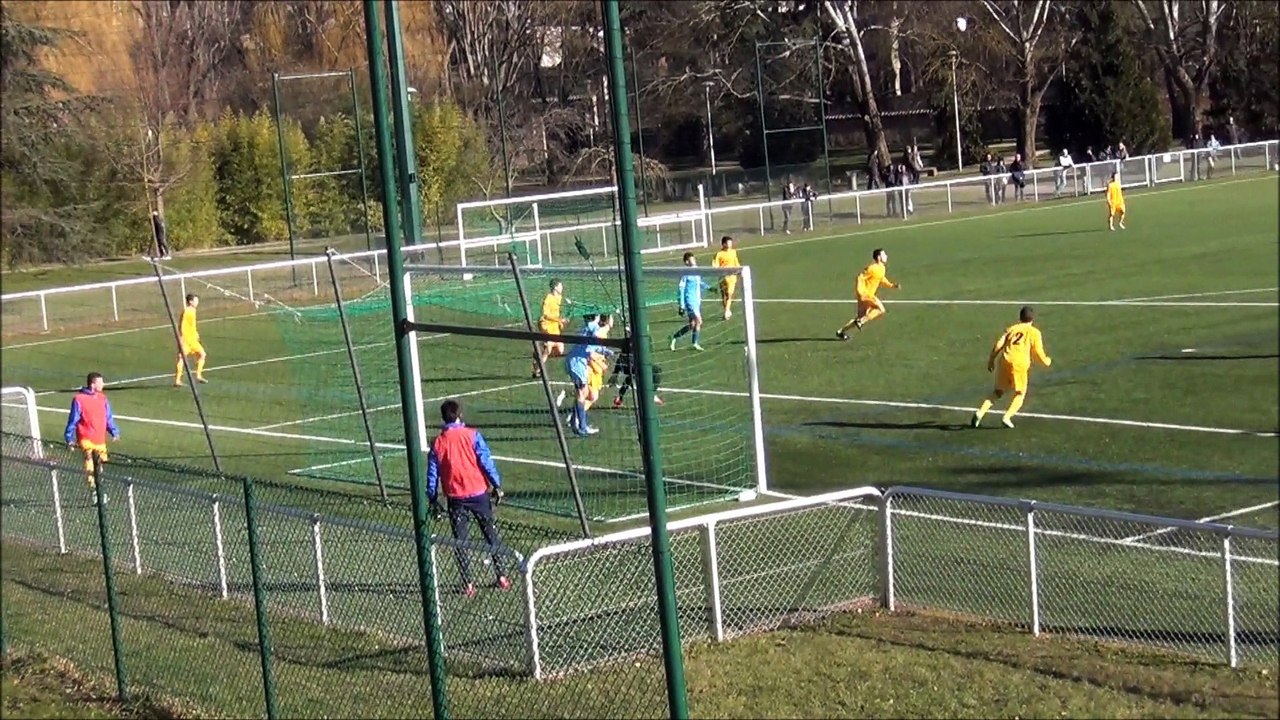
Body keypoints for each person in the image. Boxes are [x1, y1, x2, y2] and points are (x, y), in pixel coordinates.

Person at [426, 399, 510, 597]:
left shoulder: (438, 442)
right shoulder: (472, 435)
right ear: (460, 415)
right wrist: (496, 484)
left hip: (456, 497)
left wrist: (432, 497)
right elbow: (485, 460)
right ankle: (502, 575)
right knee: (490, 534)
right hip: (478, 493)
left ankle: (468, 583)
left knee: (460, 541)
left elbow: (432, 474)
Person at [971, 306, 1052, 429]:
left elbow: (999, 344)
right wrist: (1046, 361)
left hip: (1005, 360)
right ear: (1032, 319)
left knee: (998, 391)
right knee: (1020, 393)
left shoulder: (1011, 329)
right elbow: (1038, 352)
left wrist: (991, 360)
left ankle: (980, 412)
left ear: (1020, 318)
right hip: (1020, 364)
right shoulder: (1034, 332)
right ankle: (1007, 417)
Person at [64, 372, 120, 501]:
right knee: (89, 462)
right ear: (93, 384)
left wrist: (114, 431)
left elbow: (108, 417)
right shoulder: (79, 399)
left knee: (99, 465)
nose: (103, 384)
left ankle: (98, 488)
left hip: (99, 439)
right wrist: (69, 438)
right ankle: (95, 491)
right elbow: (73, 420)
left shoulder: (103, 398)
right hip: (86, 438)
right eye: (100, 382)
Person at [566, 314, 615, 436]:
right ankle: (582, 426)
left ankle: (575, 421)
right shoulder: (592, 326)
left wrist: (606, 351)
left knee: (585, 392)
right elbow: (597, 335)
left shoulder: (587, 328)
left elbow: (592, 346)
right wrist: (607, 326)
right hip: (577, 364)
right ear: (596, 317)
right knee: (582, 393)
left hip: (575, 362)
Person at [837, 248, 899, 340]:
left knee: (859, 318)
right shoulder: (871, 268)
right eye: (884, 254)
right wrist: (860, 292)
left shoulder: (882, 268)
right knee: (881, 309)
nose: (886, 256)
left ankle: (841, 331)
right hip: (865, 295)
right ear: (878, 257)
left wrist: (891, 285)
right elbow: (860, 277)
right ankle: (861, 321)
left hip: (866, 296)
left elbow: (881, 279)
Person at [609, 325, 665, 408]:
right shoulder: (645, 340)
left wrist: (615, 373)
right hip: (636, 366)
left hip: (626, 367)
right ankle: (651, 394)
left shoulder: (627, 341)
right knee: (657, 371)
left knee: (630, 377)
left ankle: (620, 397)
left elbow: (620, 358)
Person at [670, 252, 711, 351]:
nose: (694, 260)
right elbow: (681, 289)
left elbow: (700, 282)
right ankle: (695, 343)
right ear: (686, 262)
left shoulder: (696, 270)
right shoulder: (685, 274)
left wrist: (709, 288)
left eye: (694, 258)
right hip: (690, 301)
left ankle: (675, 337)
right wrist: (682, 305)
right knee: (699, 321)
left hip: (697, 301)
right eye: (692, 259)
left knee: (692, 324)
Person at [533, 279, 567, 378]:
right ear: (555, 287)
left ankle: (538, 356)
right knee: (548, 349)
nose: (562, 288)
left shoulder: (559, 297)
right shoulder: (548, 299)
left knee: (560, 350)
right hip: (547, 327)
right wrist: (559, 320)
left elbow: (556, 312)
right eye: (560, 286)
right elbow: (545, 315)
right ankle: (537, 371)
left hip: (555, 327)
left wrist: (559, 322)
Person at [174, 294, 207, 386]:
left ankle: (198, 376)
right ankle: (177, 380)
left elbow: (191, 325)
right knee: (181, 357)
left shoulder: (193, 311)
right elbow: (182, 326)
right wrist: (181, 338)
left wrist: (196, 333)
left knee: (202, 354)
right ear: (190, 302)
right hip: (186, 340)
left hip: (192, 339)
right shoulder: (188, 312)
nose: (197, 302)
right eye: (196, 300)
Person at [712, 235, 741, 320]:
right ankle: (726, 311)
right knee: (724, 295)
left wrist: (739, 269)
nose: (730, 244)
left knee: (729, 293)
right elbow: (715, 265)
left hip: (732, 277)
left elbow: (736, 262)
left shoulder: (733, 252)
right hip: (722, 277)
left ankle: (727, 311)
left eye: (731, 243)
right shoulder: (719, 254)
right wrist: (716, 268)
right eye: (728, 243)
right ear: (724, 244)